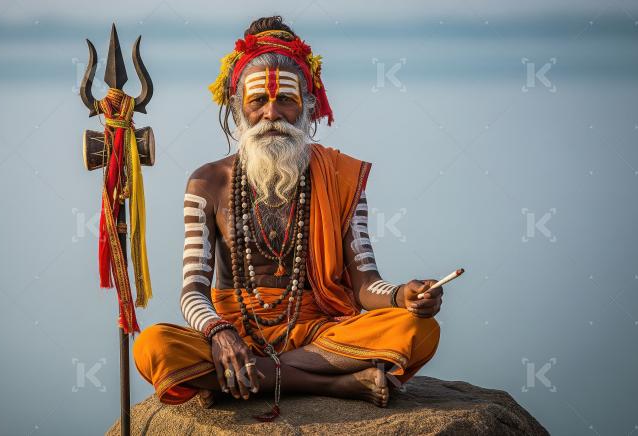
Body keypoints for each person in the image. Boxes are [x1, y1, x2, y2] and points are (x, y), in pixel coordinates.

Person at [133, 16, 442, 411]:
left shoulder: (342, 177)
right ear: (238, 108)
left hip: (320, 333)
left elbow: (367, 284)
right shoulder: (207, 183)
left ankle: (248, 376)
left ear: (308, 107)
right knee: (152, 346)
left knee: (418, 328)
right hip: (236, 331)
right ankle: (337, 385)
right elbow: (193, 290)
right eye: (258, 100)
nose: (271, 114)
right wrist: (219, 333)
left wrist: (402, 294)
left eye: (286, 100)